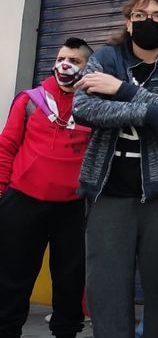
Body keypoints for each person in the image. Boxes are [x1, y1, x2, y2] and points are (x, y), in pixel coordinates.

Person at [72, 0, 158, 338]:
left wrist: (121, 90)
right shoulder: (106, 57)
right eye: (141, 14)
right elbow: (85, 109)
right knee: (107, 283)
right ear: (128, 22)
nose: (149, 20)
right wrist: (152, 112)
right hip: (108, 188)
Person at [0, 38, 94, 338]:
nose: (65, 65)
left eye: (75, 61)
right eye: (61, 58)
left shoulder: (94, 107)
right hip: (23, 200)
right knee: (13, 275)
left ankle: (66, 331)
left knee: (69, 277)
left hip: (72, 206)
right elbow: (7, 146)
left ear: (88, 68)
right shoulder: (29, 100)